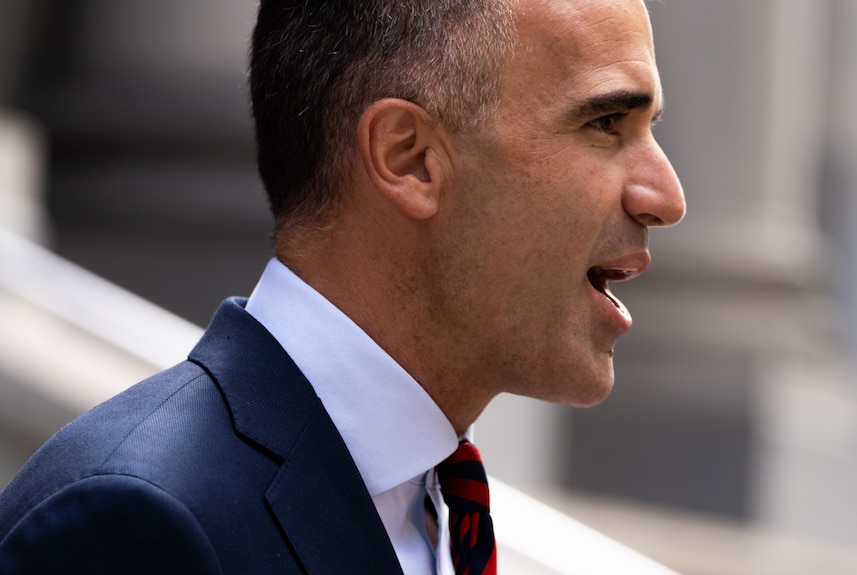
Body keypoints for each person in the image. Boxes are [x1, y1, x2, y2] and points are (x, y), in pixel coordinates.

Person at [0, 0, 685, 573]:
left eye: (648, 129)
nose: (666, 195)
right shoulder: (137, 526)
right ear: (409, 157)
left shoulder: (429, 504)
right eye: (604, 124)